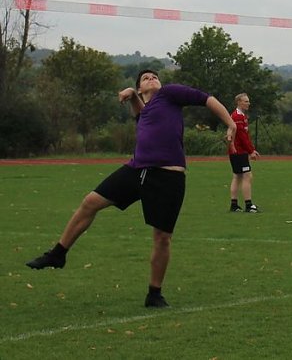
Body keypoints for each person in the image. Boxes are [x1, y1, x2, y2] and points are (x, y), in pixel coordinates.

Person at [25, 69, 237, 308]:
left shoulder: (169, 94)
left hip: (168, 176)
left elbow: (207, 99)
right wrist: (132, 95)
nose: (152, 78)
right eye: (145, 78)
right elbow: (142, 114)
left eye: (155, 76)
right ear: (140, 89)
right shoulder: (145, 113)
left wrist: (230, 124)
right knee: (90, 202)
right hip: (136, 171)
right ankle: (58, 253)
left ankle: (154, 294)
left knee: (162, 237)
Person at [228, 93, 260, 213]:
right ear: (239, 102)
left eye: (248, 101)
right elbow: (242, 137)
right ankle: (248, 205)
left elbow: (245, 136)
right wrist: (251, 151)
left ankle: (234, 205)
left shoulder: (241, 116)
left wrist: (251, 149)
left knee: (237, 176)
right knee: (247, 175)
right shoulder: (237, 117)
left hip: (236, 151)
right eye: (246, 101)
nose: (248, 103)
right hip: (238, 151)